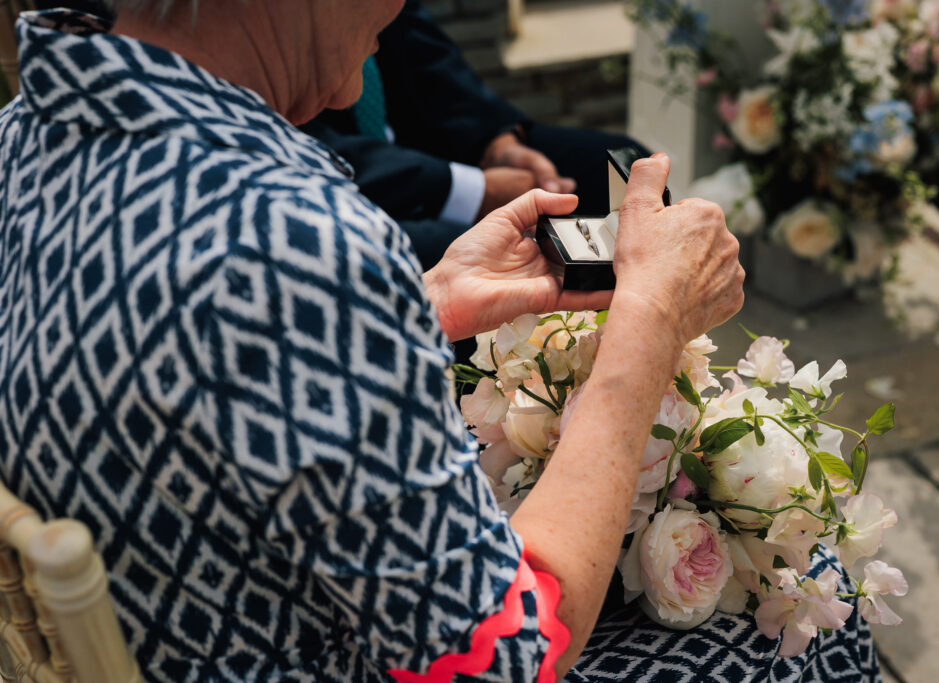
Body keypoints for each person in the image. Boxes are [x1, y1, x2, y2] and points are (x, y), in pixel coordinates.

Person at [0, 4, 877, 683]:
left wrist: (423, 305)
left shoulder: (28, 137)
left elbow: (190, 373)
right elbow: (507, 654)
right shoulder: (287, 240)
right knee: (818, 624)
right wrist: (647, 324)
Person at [301, 0, 646, 269]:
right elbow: (310, 146)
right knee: (490, 251)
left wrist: (495, 142)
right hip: (351, 188)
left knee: (619, 164)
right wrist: (473, 189)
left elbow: (423, 51)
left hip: (427, 135)